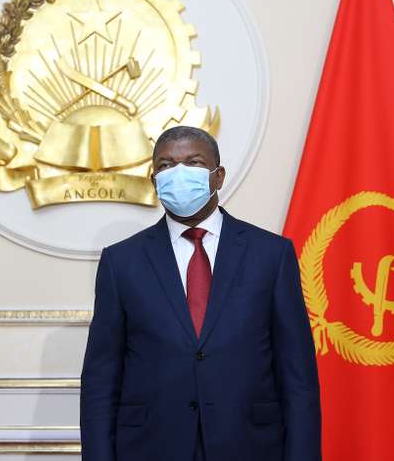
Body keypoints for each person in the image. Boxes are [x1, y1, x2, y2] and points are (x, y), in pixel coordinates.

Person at [80, 126, 321, 461]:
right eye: (165, 166)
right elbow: (100, 380)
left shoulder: (272, 255)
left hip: (250, 445)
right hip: (151, 447)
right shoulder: (121, 262)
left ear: (218, 176)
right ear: (154, 182)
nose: (178, 174)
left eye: (192, 163)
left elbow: (298, 377)